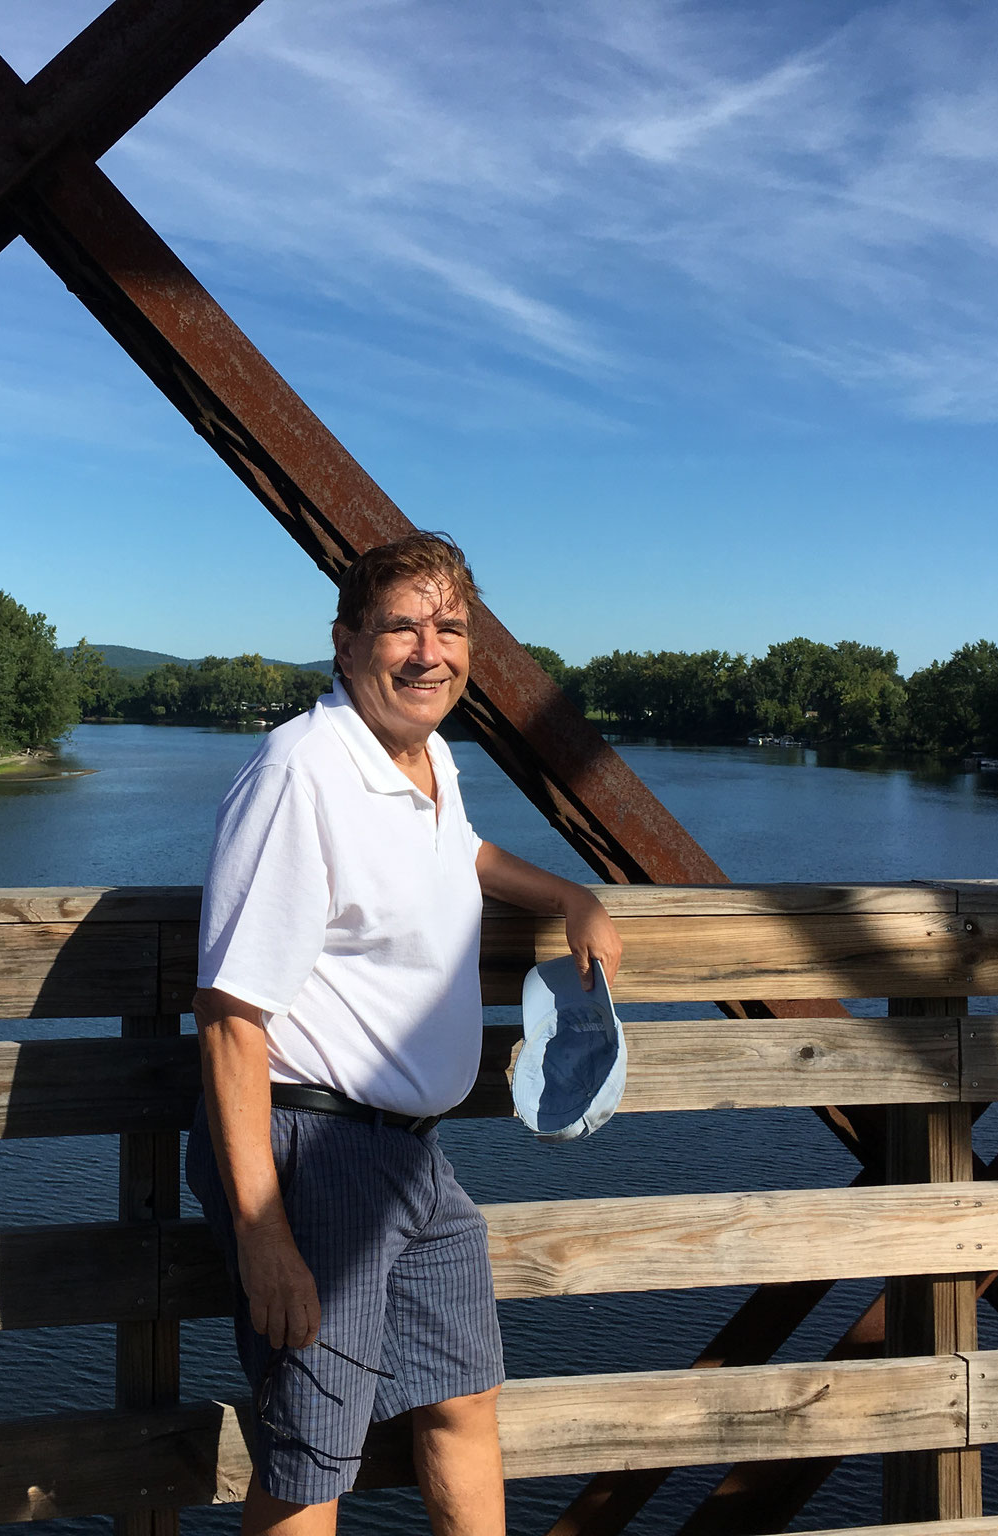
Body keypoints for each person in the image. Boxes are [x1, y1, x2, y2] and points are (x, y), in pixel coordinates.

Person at [188, 531, 623, 1536]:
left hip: (410, 1158)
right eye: (399, 626)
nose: (429, 650)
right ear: (345, 644)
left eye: (451, 627)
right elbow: (228, 1015)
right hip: (311, 1153)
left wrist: (566, 892)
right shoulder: (304, 771)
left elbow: (452, 853)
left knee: (463, 1402)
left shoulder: (425, 757)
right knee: (310, 1459)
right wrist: (264, 1238)